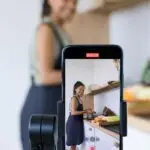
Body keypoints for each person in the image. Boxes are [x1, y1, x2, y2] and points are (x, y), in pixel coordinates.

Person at [20, 0, 77, 150]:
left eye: (75, 1)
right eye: (66, 0)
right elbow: (45, 76)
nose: (72, 6)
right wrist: (79, 75)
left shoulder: (59, 30)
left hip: (53, 106)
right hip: (42, 108)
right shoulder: (46, 29)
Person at [66, 81, 93, 150]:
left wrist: (86, 110)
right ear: (75, 89)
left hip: (77, 123)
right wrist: (86, 111)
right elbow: (73, 112)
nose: (82, 91)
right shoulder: (74, 98)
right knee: (73, 145)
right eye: (80, 89)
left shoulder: (79, 99)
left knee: (74, 144)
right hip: (73, 123)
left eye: (83, 90)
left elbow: (78, 110)